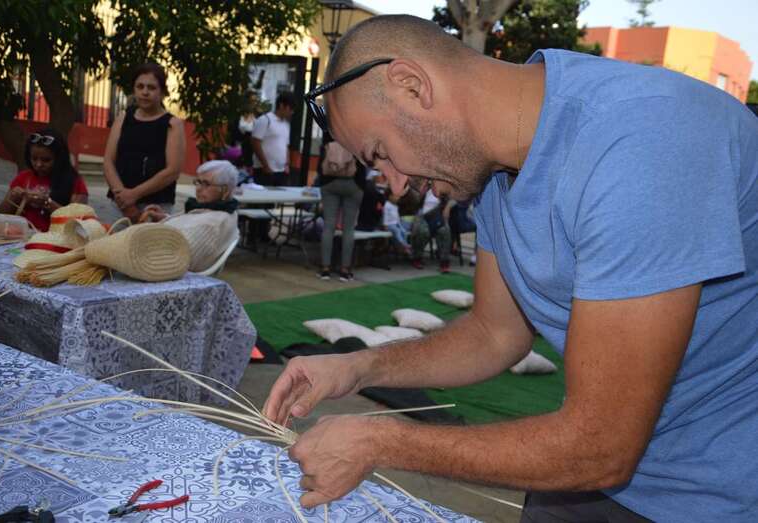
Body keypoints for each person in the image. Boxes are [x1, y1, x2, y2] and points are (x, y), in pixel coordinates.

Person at [263, 15, 758, 522]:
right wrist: (358, 365)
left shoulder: (642, 142)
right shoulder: (495, 173)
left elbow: (602, 447)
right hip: (589, 479)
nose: (392, 186)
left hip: (713, 493)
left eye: (382, 154)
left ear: (412, 86)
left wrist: (381, 440)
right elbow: (494, 333)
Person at [104, 62, 186, 222]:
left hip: (156, 207)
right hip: (119, 206)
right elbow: (108, 161)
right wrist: (124, 199)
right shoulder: (122, 118)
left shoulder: (172, 124)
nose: (145, 92)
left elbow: (172, 171)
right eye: (140, 87)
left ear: (162, 92)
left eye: (151, 87)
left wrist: (133, 195)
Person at [0, 129, 88, 232]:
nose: (38, 164)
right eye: (34, 159)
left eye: (46, 160)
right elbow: (1, 213)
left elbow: (78, 222)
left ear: (59, 159)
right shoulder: (23, 177)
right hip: (22, 237)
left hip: (56, 241)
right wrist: (12, 197)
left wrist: (47, 203)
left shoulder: (75, 182)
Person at [317, 136, 365, 281]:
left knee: (328, 227)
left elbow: (321, 166)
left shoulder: (328, 138)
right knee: (348, 229)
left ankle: (325, 269)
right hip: (353, 184)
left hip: (329, 183)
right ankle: (345, 270)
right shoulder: (357, 139)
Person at [139, 160, 239, 223]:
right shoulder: (212, 209)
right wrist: (163, 217)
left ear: (225, 190)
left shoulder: (213, 220)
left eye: (206, 184)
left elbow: (183, 239)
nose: (198, 188)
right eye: (198, 182)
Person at [251, 92, 294, 187]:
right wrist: (265, 165)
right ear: (282, 105)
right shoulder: (265, 120)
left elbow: (286, 146)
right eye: (290, 109)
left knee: (279, 199)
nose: (291, 112)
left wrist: (287, 165)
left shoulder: (286, 125)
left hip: (281, 171)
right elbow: (255, 143)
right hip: (264, 170)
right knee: (263, 200)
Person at [409, 184, 452, 273]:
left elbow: (456, 198)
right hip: (422, 215)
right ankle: (417, 257)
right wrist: (420, 192)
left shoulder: (445, 186)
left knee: (445, 231)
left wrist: (448, 206)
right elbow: (413, 199)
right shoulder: (424, 184)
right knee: (422, 231)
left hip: (438, 216)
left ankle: (444, 261)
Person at [382, 190, 411, 257]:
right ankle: (405, 245)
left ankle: (405, 246)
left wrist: (400, 224)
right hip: (389, 224)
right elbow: (385, 215)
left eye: (398, 197)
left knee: (404, 231)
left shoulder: (395, 206)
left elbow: (397, 217)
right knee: (397, 231)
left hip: (396, 223)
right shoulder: (387, 205)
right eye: (395, 196)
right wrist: (385, 225)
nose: (397, 198)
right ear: (390, 196)